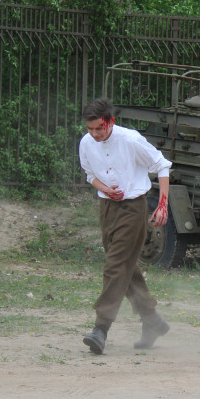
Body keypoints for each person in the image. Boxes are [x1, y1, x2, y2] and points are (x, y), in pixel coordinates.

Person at [79, 98, 173, 355]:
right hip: (107, 209)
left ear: (110, 121)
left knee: (115, 265)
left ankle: (101, 328)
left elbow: (162, 165)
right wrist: (104, 188)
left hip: (133, 208)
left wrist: (162, 205)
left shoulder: (130, 140)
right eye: (90, 129)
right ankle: (152, 320)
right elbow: (90, 175)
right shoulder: (86, 143)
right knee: (125, 266)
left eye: (99, 128)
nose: (95, 134)